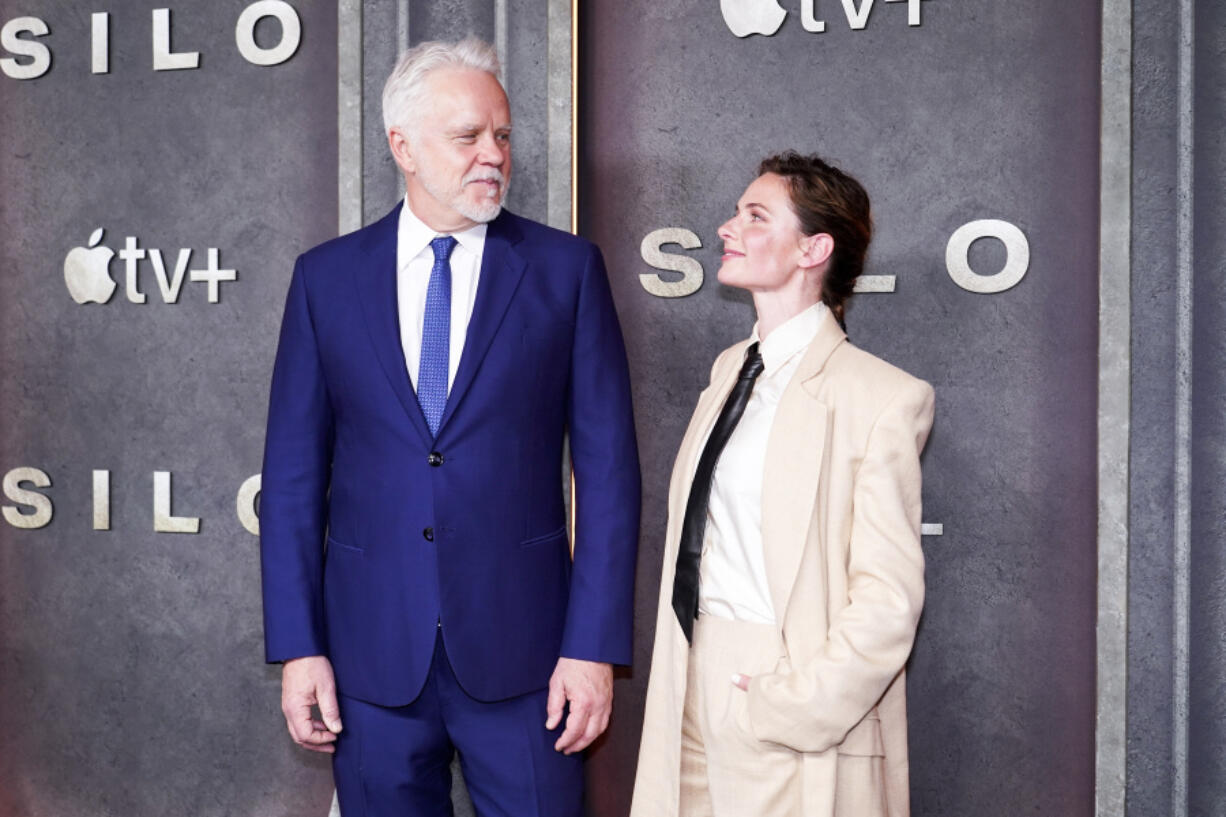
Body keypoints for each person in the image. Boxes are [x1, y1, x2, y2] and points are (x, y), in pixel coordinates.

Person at [259, 37, 640, 817]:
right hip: (370, 663)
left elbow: (609, 476)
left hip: (530, 660)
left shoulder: (565, 271)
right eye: (467, 137)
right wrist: (300, 648)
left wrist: (594, 646)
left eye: (501, 135)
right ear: (402, 145)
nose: (492, 155)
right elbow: (293, 481)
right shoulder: (325, 280)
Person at [630, 152, 934, 817]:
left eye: (755, 215)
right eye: (738, 212)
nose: (726, 228)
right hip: (689, 669)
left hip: (779, 683)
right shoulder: (729, 370)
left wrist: (792, 701)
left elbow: (887, 599)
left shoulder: (882, 397)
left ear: (813, 248)